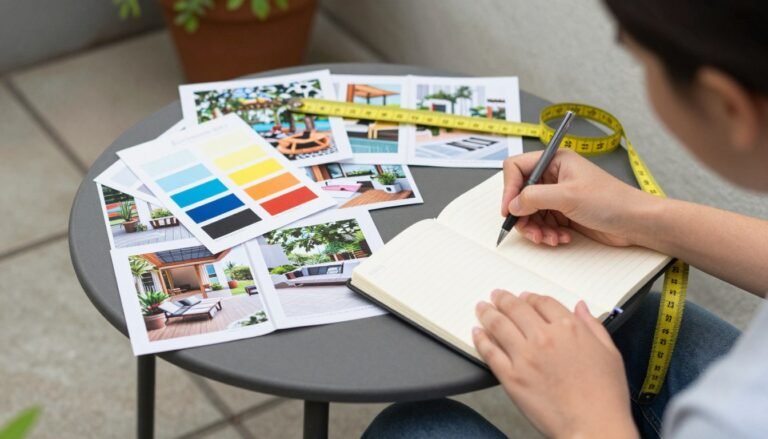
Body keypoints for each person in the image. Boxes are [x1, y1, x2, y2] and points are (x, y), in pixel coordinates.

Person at [363, 0, 768, 437]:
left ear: (724, 104)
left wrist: (589, 421)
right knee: (632, 323)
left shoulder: (728, 413)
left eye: (644, 65)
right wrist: (639, 215)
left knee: (415, 429)